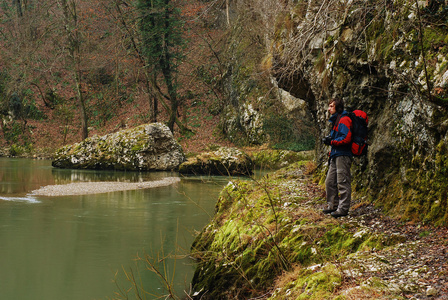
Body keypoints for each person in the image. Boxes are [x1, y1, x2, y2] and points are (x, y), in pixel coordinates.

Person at [322, 98, 352, 218]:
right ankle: (332, 206)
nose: (329, 109)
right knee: (329, 181)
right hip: (335, 155)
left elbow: (346, 138)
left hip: (343, 155)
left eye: (331, 106)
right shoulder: (337, 120)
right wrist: (330, 141)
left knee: (342, 182)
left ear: (338, 108)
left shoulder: (344, 120)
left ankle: (343, 209)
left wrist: (332, 141)